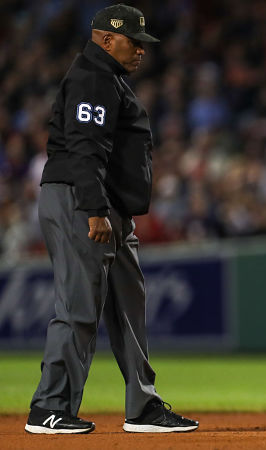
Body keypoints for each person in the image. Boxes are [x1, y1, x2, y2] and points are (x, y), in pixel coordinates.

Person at [25, 4, 198, 434]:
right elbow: (85, 148)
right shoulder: (93, 77)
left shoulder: (111, 79)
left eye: (143, 43)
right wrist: (94, 209)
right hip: (83, 203)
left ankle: (143, 407)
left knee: (129, 309)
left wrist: (108, 210)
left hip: (111, 209)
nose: (141, 50)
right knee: (79, 307)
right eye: (133, 41)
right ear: (106, 39)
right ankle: (49, 407)